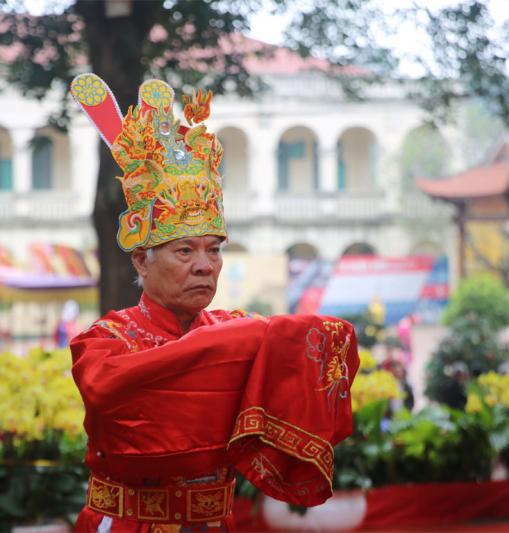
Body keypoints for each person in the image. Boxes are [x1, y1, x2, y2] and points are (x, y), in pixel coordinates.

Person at [69, 75, 362, 533]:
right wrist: (244, 341)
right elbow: (114, 395)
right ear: (142, 260)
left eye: (214, 250)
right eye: (185, 251)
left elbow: (305, 357)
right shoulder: (105, 342)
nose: (205, 266)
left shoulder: (235, 328)